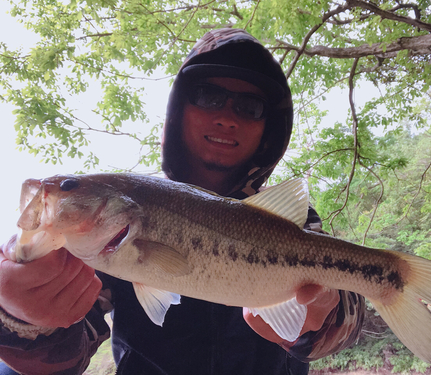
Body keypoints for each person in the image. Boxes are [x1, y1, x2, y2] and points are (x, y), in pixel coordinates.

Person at [0, 28, 364, 374]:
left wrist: (321, 324)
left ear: (270, 127)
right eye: (208, 95)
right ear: (178, 111)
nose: (226, 117)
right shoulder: (109, 230)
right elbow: (68, 359)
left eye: (250, 107)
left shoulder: (294, 223)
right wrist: (24, 322)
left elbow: (349, 312)